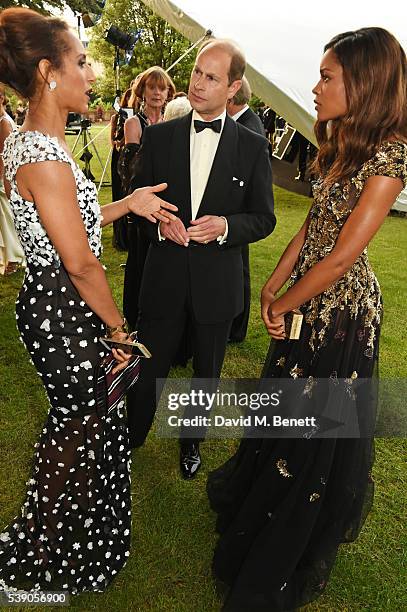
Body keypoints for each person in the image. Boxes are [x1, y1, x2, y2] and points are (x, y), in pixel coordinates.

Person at [207, 27, 407, 611]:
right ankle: (262, 497)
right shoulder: (340, 139)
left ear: (364, 82)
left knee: (315, 431)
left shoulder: (391, 156)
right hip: (306, 297)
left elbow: (344, 254)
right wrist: (273, 284)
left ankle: (291, 534)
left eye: (327, 76)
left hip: (341, 316)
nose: (315, 87)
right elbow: (312, 227)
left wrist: (283, 303)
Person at [0, 7, 177, 593]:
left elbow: (69, 228)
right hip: (65, 307)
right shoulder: (44, 156)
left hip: (53, 300)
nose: (91, 71)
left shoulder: (29, 143)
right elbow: (79, 261)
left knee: (86, 425)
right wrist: (121, 330)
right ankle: (37, 561)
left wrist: (126, 205)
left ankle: (65, 542)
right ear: (49, 72)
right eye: (81, 60)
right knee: (77, 428)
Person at [126, 39, 276, 478]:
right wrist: (158, 224)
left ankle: (191, 443)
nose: (197, 83)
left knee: (205, 376)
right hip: (165, 277)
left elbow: (264, 218)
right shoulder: (159, 137)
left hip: (217, 284)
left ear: (233, 88)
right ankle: (130, 437)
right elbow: (137, 209)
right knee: (149, 363)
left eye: (211, 77)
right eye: (196, 72)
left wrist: (226, 226)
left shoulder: (252, 147)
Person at [122, 67, 176, 330]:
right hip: (143, 206)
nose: (157, 92)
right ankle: (137, 323)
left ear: (169, 93)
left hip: (171, 205)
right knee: (141, 265)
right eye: (152, 87)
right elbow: (132, 169)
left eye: (162, 88)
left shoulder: (176, 122)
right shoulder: (134, 124)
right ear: (142, 91)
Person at [227, 76, 265, 344]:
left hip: (240, 213)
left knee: (240, 273)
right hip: (237, 214)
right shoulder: (247, 121)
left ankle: (236, 327)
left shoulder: (249, 127)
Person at [0, 85, 25, 275]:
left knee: (6, 217)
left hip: (3, 176)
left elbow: (5, 155)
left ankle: (15, 257)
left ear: (1, 99)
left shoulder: (4, 123)